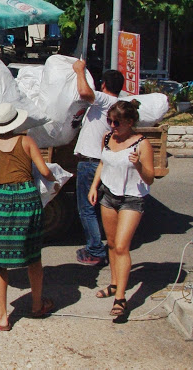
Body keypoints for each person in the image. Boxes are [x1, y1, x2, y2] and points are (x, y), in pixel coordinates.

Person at [0, 103, 58, 331]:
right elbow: (46, 172)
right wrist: (55, 182)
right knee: (33, 255)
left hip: (3, 202)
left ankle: (1, 317)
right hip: (28, 199)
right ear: (15, 122)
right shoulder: (27, 141)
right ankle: (37, 305)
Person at [88, 100, 154, 316]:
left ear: (130, 122)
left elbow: (150, 178)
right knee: (112, 244)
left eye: (117, 122)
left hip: (132, 198)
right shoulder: (108, 138)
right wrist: (94, 186)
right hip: (109, 195)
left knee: (122, 247)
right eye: (109, 121)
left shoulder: (142, 144)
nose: (112, 125)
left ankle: (121, 299)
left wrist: (138, 164)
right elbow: (102, 163)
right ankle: (114, 284)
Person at [73, 60, 124, 266]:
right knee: (102, 207)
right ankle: (105, 246)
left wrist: (78, 71)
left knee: (87, 208)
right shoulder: (118, 105)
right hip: (102, 162)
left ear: (103, 85)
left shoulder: (104, 99)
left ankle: (95, 249)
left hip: (91, 163)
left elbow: (85, 93)